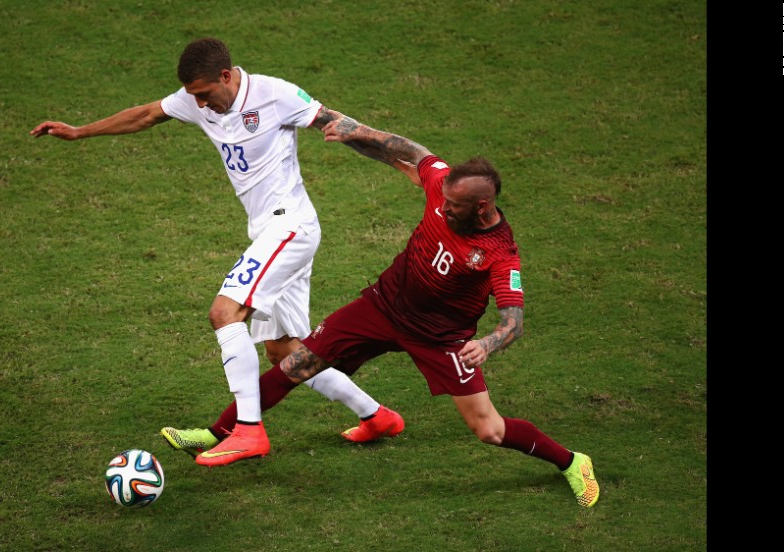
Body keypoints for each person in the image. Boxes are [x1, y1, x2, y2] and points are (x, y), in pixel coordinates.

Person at [30, 38, 406, 466]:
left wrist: (410, 163)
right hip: (269, 231)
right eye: (193, 97)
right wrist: (80, 131)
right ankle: (377, 417)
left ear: (226, 76)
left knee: (224, 312)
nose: (200, 105)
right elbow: (148, 114)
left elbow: (344, 126)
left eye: (205, 94)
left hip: (291, 226)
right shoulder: (198, 100)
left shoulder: (275, 94)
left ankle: (248, 432)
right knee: (285, 352)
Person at [197, 113, 601, 508]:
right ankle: (220, 433)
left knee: (489, 430)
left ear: (481, 208)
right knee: (297, 363)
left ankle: (572, 462)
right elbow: (413, 151)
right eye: (443, 198)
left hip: (441, 338)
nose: (443, 208)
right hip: (383, 306)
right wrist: (359, 133)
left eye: (454, 206)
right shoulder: (445, 185)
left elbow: (513, 322)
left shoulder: (499, 253)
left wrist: (487, 345)